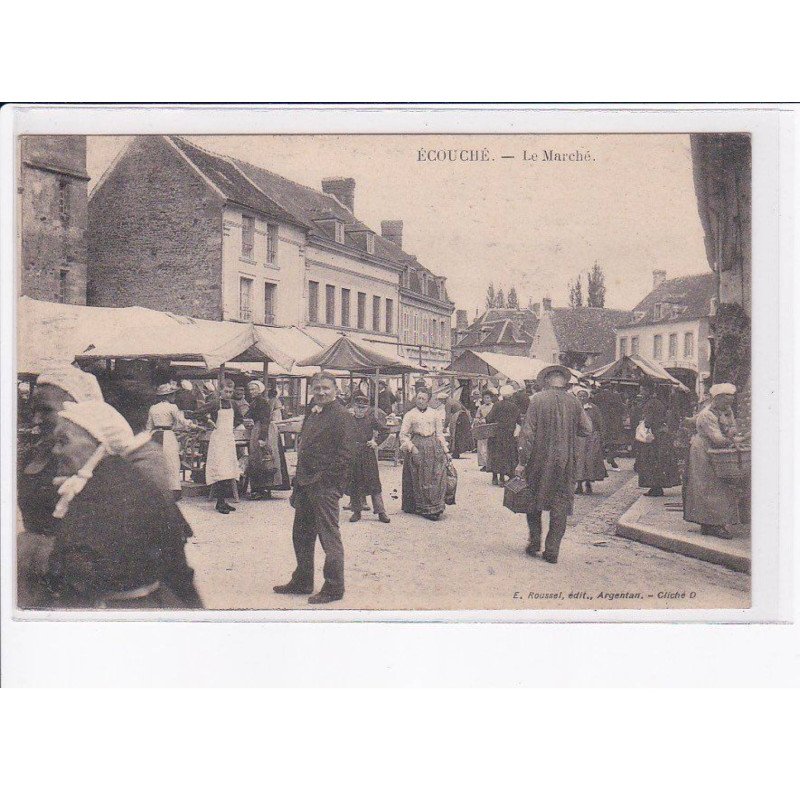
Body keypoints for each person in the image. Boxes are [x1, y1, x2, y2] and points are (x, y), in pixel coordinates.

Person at [43, 401, 203, 609]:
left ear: (98, 443)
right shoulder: (121, 477)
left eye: (64, 441)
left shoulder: (105, 492)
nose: (56, 451)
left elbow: (74, 574)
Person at [273, 371, 356, 604]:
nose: (321, 392)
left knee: (329, 538)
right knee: (301, 535)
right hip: (305, 483)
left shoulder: (342, 416)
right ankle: (302, 581)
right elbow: (306, 448)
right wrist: (298, 483)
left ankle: (334, 587)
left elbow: (346, 455)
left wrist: (328, 481)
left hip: (324, 486)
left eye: (326, 388)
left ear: (336, 390)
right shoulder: (312, 411)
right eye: (317, 388)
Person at [516, 365, 593, 564]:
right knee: (560, 505)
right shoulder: (574, 402)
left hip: (539, 461)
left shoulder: (537, 400)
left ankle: (534, 543)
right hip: (566, 463)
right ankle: (552, 551)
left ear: (547, 381)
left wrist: (522, 462)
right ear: (564, 382)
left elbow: (527, 434)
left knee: (533, 501)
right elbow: (587, 429)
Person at [683, 383, 743, 539]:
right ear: (717, 399)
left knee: (719, 486)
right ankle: (712, 524)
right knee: (708, 486)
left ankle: (712, 523)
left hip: (716, 451)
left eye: (730, 402)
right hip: (704, 451)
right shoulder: (707, 415)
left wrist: (732, 433)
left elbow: (732, 428)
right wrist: (733, 438)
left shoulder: (725, 411)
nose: (728, 405)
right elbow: (717, 439)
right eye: (726, 402)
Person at [399, 388, 450, 520]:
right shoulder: (410, 414)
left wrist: (445, 450)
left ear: (428, 400)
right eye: (419, 398)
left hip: (433, 446)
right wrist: (411, 447)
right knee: (419, 476)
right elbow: (403, 435)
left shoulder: (435, 414)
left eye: (423, 399)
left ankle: (434, 506)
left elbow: (439, 434)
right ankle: (421, 507)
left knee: (435, 476)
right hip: (417, 445)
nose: (420, 401)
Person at [196, 379, 243, 514]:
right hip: (218, 440)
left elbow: (239, 418)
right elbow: (199, 412)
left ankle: (223, 502)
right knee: (220, 470)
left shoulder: (233, 404)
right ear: (220, 391)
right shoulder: (216, 403)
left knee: (229, 470)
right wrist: (209, 420)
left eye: (231, 392)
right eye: (226, 391)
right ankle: (220, 502)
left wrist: (232, 427)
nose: (228, 394)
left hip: (228, 439)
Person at [146, 383, 197, 499]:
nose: (174, 397)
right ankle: (174, 492)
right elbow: (182, 420)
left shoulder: (153, 408)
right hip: (168, 435)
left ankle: (157, 490)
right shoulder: (172, 407)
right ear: (168, 396)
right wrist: (194, 426)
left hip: (155, 435)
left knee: (157, 462)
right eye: (172, 394)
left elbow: (149, 426)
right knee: (172, 462)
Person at [348, 393, 391, 523]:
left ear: (367, 408)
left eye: (363, 407)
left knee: (374, 482)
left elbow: (385, 430)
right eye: (358, 407)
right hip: (353, 454)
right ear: (354, 407)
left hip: (367, 453)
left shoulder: (371, 419)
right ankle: (356, 511)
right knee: (355, 482)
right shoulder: (348, 419)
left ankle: (381, 512)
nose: (360, 410)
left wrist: (376, 442)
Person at [246, 380, 290, 499]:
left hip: (263, 430)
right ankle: (262, 488)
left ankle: (263, 489)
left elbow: (265, 420)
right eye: (250, 389)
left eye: (254, 389)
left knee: (265, 459)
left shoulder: (262, 402)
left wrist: (262, 438)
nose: (251, 392)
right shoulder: (255, 402)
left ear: (260, 390)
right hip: (257, 428)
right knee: (259, 459)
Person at [634, 383, 680, 497]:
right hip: (660, 435)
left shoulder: (650, 404)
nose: (641, 393)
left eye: (643, 390)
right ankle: (657, 486)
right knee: (659, 461)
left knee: (651, 461)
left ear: (648, 390)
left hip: (653, 436)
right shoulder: (659, 402)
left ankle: (655, 487)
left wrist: (644, 425)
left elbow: (649, 421)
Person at [572, 388, 607, 494]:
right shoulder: (573, 408)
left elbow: (600, 422)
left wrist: (602, 437)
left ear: (588, 397)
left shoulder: (593, 408)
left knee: (590, 460)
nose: (582, 398)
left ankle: (588, 483)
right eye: (580, 396)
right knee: (578, 461)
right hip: (578, 438)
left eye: (584, 396)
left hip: (592, 438)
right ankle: (578, 484)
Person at [486, 384, 521, 486]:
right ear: (510, 395)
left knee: (495, 455)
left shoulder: (497, 405)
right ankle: (502, 478)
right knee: (506, 456)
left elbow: (489, 418)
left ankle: (494, 477)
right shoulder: (514, 407)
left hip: (496, 435)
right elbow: (519, 421)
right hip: (509, 436)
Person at [591, 384, 626, 469]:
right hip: (614, 423)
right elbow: (622, 409)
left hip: (600, 422)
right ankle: (611, 457)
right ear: (611, 388)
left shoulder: (597, 397)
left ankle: (599, 463)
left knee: (600, 442)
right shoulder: (616, 396)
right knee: (614, 442)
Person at [473, 388, 497, 471]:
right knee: (481, 447)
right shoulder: (480, 408)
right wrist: (478, 420)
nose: (487, 399)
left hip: (492, 428)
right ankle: (484, 464)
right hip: (483, 428)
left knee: (490, 446)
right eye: (485, 398)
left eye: (488, 398)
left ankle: (491, 464)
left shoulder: (494, 406)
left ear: (491, 398)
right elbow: (476, 417)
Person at [445, 394, 474, 459]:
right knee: (463, 435)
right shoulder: (455, 400)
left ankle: (456, 452)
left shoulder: (448, 403)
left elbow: (447, 416)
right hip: (464, 418)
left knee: (456, 435)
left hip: (458, 419)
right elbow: (465, 409)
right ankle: (459, 450)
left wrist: (445, 426)